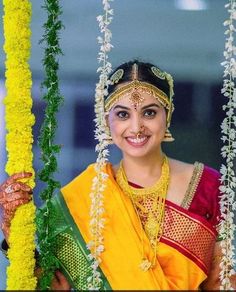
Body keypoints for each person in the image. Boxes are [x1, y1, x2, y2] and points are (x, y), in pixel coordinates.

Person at [0, 60, 235, 290]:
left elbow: (221, 282)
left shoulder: (209, 186)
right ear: (106, 120)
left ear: (168, 115)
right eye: (123, 115)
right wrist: (14, 230)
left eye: (149, 113)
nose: (136, 127)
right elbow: (53, 286)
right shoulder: (86, 196)